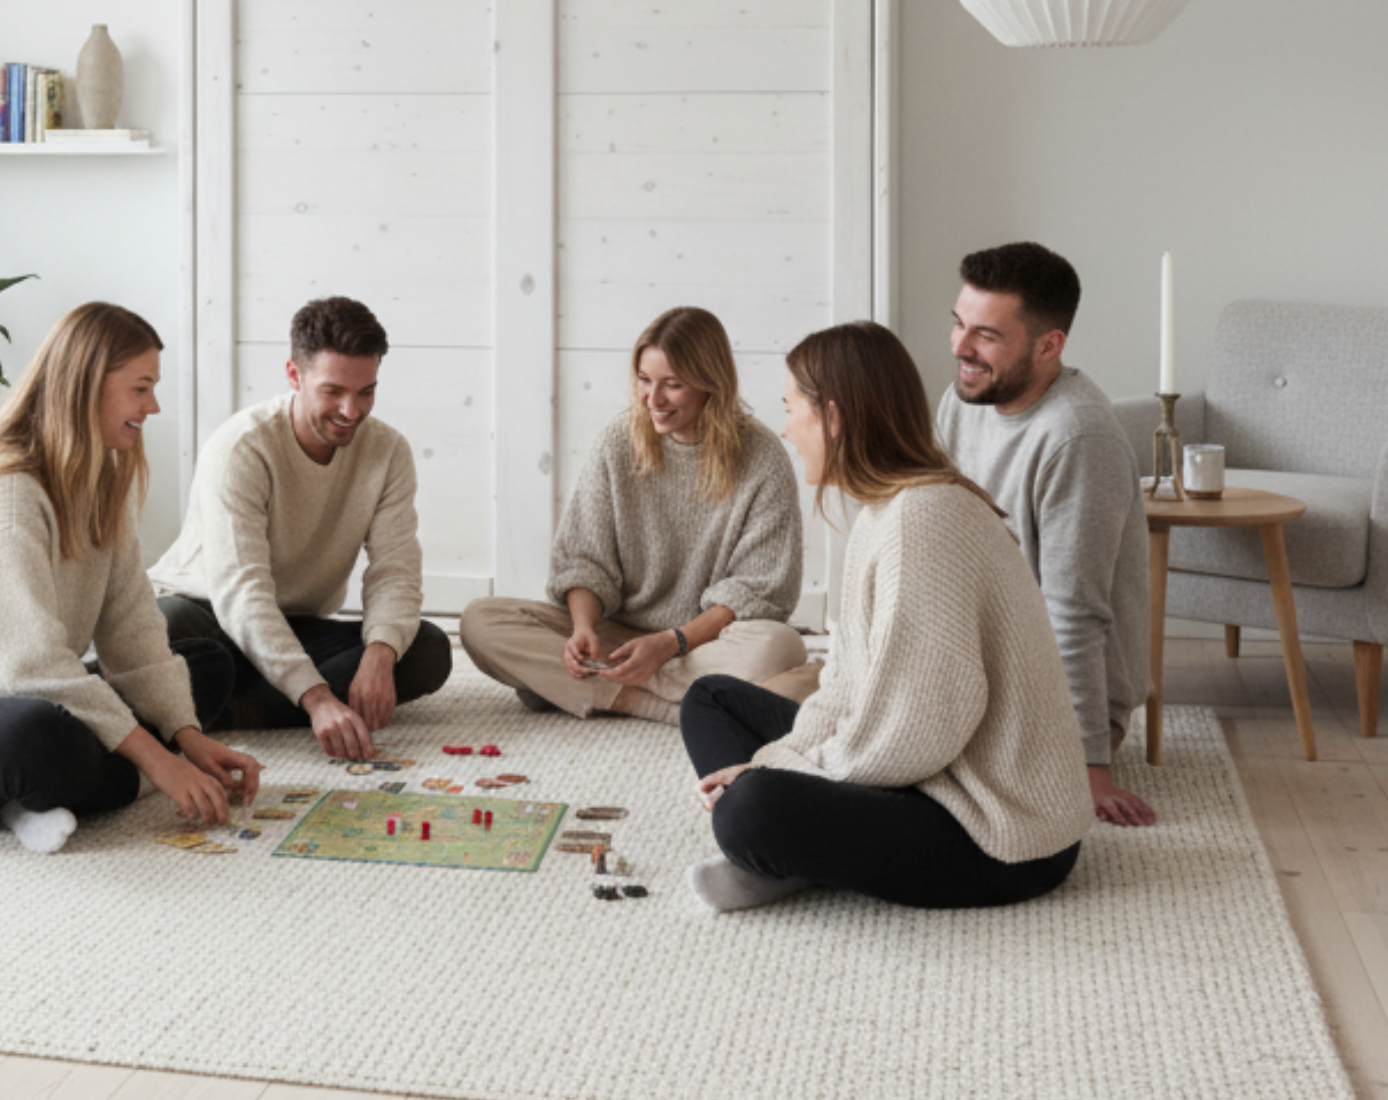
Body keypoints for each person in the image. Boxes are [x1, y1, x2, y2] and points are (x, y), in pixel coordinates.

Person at [682, 320, 1094, 912]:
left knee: (751, 810)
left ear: (834, 415)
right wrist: (779, 760)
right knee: (711, 700)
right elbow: (845, 689)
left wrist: (770, 777)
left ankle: (781, 854)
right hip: (926, 777)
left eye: (791, 408)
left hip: (998, 835)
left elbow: (919, 729)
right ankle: (793, 857)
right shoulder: (884, 512)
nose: (785, 429)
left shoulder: (923, 519)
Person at [0, 303, 260, 850]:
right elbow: (26, 667)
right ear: (89, 383)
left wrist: (186, 737)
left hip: (15, 691)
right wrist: (161, 762)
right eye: (141, 388)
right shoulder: (6, 492)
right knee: (35, 737)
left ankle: (36, 796)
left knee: (203, 661)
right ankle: (70, 786)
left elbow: (134, 631)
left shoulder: (101, 482)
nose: (153, 405)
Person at [460, 306, 808, 723]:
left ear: (710, 383)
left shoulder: (762, 457)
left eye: (672, 385)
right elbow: (585, 560)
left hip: (699, 643)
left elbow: (758, 591)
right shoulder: (618, 441)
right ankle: (669, 706)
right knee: (481, 621)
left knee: (780, 646)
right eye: (644, 380)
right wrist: (583, 628)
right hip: (617, 635)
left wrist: (669, 643)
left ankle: (584, 687)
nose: (653, 400)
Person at [153, 295, 452, 761]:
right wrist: (316, 696)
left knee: (424, 649)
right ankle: (282, 700)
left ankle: (231, 707)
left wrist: (378, 656)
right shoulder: (241, 449)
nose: (351, 411)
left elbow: (395, 570)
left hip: (297, 622)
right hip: (208, 611)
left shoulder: (389, 452)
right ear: (295, 375)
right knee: (165, 631)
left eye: (366, 391)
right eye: (333, 391)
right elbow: (243, 594)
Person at [933, 242, 1156, 828]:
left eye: (986, 335)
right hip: (983, 659)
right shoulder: (966, 400)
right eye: (959, 324)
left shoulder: (1078, 438)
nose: (960, 348)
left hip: (1052, 692)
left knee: (910, 760)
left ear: (1049, 344)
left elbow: (1075, 612)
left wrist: (1089, 765)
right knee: (816, 707)